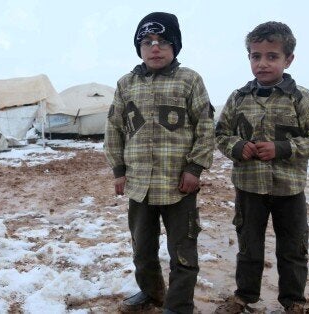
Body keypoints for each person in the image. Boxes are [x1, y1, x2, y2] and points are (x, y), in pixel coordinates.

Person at [214, 21, 309, 314]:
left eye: (272, 56)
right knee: (248, 246)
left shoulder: (301, 99)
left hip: (289, 190)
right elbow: (220, 134)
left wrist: (284, 148)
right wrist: (238, 148)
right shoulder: (239, 98)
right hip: (249, 188)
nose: (262, 63)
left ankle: (294, 301)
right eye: (256, 56)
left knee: (293, 249)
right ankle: (244, 297)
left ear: (288, 59)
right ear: (249, 58)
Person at [104, 12, 215, 314]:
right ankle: (152, 293)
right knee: (142, 249)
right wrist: (118, 171)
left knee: (182, 251)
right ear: (139, 48)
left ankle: (178, 307)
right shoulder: (126, 84)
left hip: (178, 185)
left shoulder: (189, 80)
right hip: (139, 185)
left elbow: (205, 126)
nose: (155, 47)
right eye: (147, 42)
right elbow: (114, 128)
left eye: (163, 42)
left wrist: (195, 168)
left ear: (175, 47)